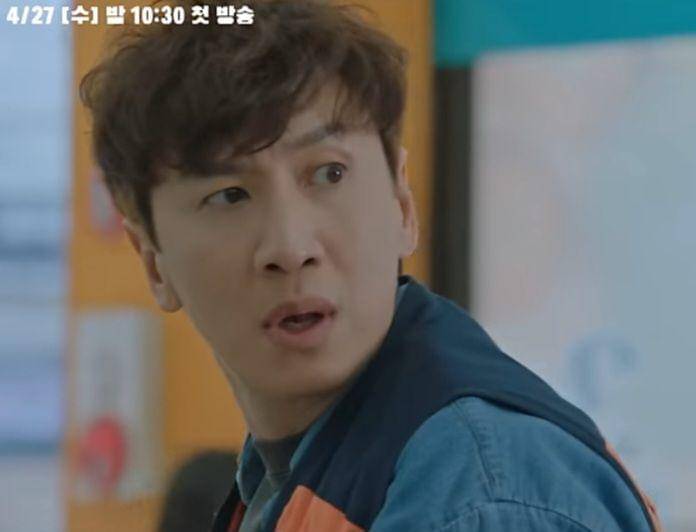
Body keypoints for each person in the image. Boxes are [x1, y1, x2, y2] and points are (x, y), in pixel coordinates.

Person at [80, 1, 663, 530]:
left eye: (328, 173)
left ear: (402, 204)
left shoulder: (474, 491)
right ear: (154, 263)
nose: (291, 247)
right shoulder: (298, 467)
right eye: (230, 195)